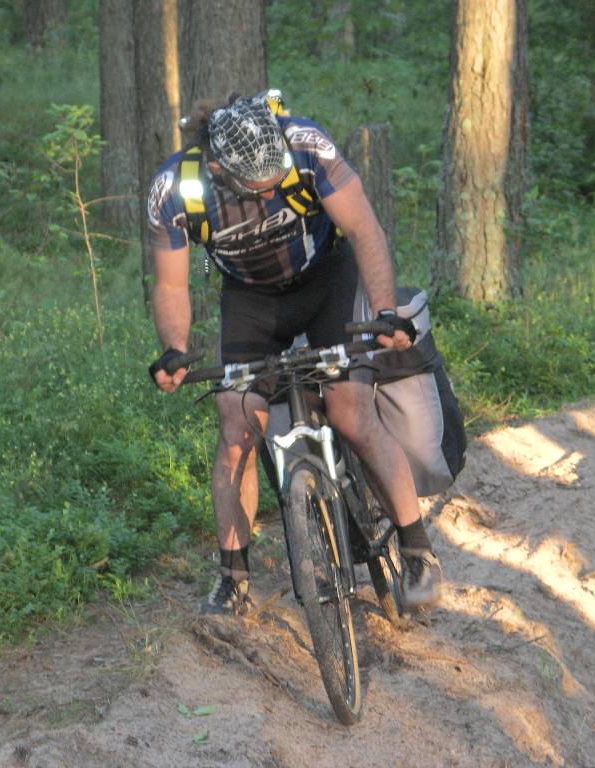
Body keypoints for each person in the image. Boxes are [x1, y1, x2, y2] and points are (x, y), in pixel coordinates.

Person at [146, 91, 442, 615]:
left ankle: (417, 549)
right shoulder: (175, 189)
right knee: (237, 427)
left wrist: (384, 312)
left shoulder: (305, 145)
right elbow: (171, 285)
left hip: (326, 279)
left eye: (275, 180)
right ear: (219, 170)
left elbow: (364, 229)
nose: (270, 191)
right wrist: (173, 348)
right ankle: (233, 578)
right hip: (251, 298)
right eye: (258, 187)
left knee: (351, 412)